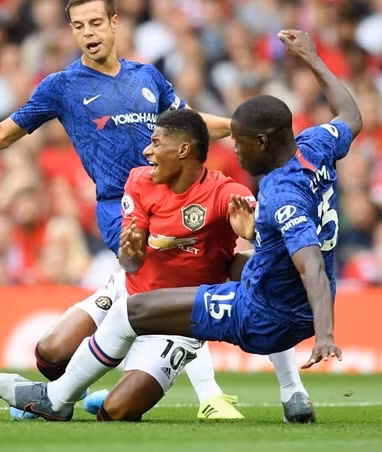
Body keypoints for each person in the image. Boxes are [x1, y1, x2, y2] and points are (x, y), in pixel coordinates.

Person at [0, 0, 307, 420]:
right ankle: (184, 383)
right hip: (122, 208)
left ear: (115, 23)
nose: (88, 33)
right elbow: (4, 133)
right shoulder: (62, 86)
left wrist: (241, 128)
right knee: (60, 349)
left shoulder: (148, 77)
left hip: (179, 198)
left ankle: (254, 389)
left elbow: (190, 126)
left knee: (227, 271)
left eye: (96, 23)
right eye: (78, 26)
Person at [0, 29, 362, 422]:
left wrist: (325, 333)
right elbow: (351, 117)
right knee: (65, 360)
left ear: (262, 143)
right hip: (147, 284)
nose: (234, 150)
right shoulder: (316, 145)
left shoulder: (254, 193)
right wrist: (312, 57)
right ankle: (287, 396)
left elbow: (305, 262)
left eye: (239, 142)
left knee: (127, 364)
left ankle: (57, 400)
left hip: (244, 310)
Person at [72, 108, 256, 422]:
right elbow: (130, 261)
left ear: (182, 150)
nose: (146, 151)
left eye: (155, 143)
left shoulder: (225, 192)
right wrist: (130, 253)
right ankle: (57, 396)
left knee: (114, 411)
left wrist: (253, 235)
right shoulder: (140, 180)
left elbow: (264, 244)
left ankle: (285, 391)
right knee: (50, 353)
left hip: (180, 298)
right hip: (134, 286)